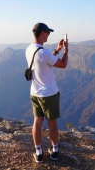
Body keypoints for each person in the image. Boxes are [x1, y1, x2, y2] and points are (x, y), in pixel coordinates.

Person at [25, 22, 69, 163]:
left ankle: (38, 152)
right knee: (52, 123)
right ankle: (54, 150)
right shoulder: (43, 52)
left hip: (35, 93)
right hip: (49, 94)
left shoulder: (30, 49)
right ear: (42, 33)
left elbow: (46, 61)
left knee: (37, 122)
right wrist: (66, 50)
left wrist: (57, 49)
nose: (49, 34)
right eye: (48, 32)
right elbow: (62, 64)